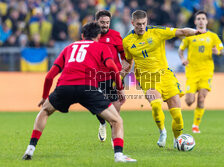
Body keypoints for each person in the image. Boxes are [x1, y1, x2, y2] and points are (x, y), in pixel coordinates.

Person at [22, 22, 136, 162]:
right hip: (88, 87)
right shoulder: (102, 47)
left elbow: (50, 75)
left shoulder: (69, 47)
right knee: (116, 120)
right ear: (99, 36)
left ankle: (30, 148)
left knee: (44, 111)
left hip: (65, 87)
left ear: (82, 35)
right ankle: (118, 155)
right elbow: (112, 67)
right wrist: (120, 89)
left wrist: (45, 96)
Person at [122, 10, 205, 148]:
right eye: (138, 24)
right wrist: (121, 75)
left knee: (177, 115)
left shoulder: (157, 31)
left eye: (144, 23)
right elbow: (128, 61)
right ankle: (162, 131)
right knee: (155, 104)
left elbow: (182, 32)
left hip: (165, 75)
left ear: (147, 21)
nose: (141, 27)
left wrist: (196, 32)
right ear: (132, 23)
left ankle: (177, 139)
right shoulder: (127, 41)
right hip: (146, 77)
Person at [178, 10, 224, 133]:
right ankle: (194, 91)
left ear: (207, 21)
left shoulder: (213, 36)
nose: (201, 21)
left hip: (206, 71)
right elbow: (180, 50)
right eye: (198, 19)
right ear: (195, 21)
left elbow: (222, 50)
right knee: (189, 101)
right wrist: (182, 59)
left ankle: (195, 125)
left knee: (202, 98)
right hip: (192, 72)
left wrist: (218, 52)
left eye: (203, 18)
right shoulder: (190, 35)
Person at [94, 10, 127, 142]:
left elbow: (123, 55)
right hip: (97, 76)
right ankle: (102, 123)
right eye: (102, 22)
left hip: (114, 76)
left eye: (107, 22)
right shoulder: (91, 36)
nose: (105, 25)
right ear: (96, 21)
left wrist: (125, 67)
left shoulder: (116, 35)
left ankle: (116, 138)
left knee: (116, 106)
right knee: (98, 107)